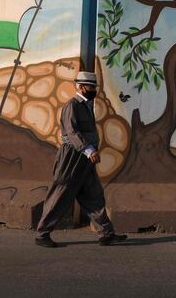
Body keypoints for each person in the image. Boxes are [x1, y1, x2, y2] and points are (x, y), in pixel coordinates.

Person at [35, 71, 128, 248]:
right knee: (60, 193)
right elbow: (72, 132)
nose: (93, 90)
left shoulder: (86, 105)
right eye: (90, 87)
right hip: (72, 156)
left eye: (94, 87)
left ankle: (106, 233)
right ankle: (42, 233)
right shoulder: (72, 105)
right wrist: (89, 149)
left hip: (85, 158)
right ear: (80, 87)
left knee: (93, 194)